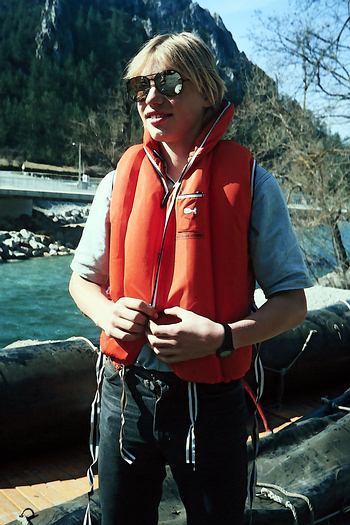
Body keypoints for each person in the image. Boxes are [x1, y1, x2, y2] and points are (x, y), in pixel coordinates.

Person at [69, 32, 311, 525]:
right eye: (141, 86)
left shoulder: (252, 183)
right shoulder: (120, 179)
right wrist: (107, 313)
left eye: (169, 82)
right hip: (126, 393)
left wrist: (222, 337)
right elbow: (82, 282)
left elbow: (292, 302)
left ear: (207, 90)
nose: (151, 98)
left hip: (213, 404)